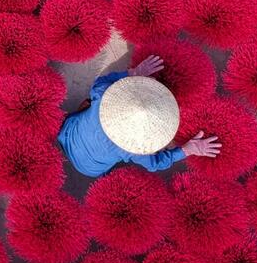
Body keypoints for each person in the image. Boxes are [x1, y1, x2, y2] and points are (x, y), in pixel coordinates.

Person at [58, 55, 221, 178]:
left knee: (88, 103)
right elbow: (156, 164)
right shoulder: (134, 150)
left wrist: (133, 72)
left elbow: (99, 81)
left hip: (64, 134)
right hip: (90, 170)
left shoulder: (103, 95)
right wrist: (187, 150)